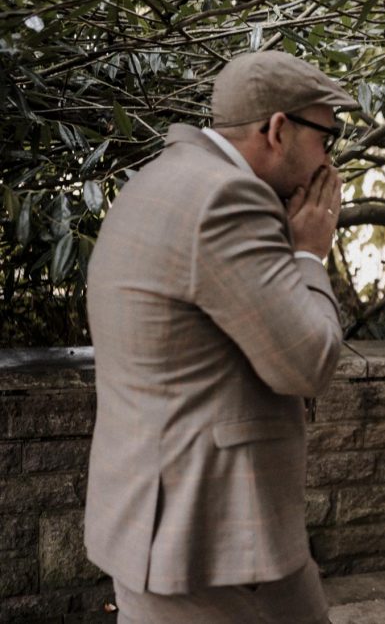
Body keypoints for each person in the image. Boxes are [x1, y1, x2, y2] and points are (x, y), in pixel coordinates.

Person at [84, 50, 358, 623]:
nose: (328, 161)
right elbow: (308, 362)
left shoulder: (159, 179)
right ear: (277, 129)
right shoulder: (228, 197)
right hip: (210, 539)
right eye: (326, 138)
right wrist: (310, 253)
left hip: (157, 518)